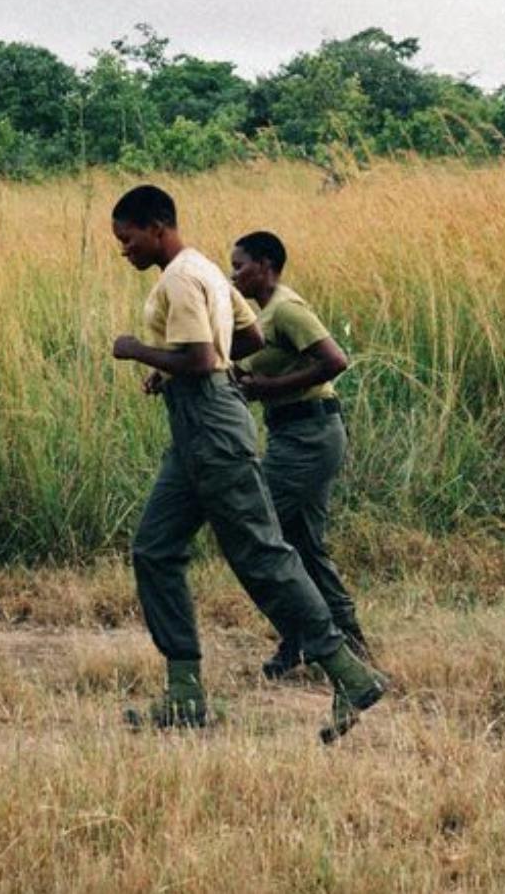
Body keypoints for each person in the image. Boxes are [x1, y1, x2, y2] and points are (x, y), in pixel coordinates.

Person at [110, 185, 386, 741]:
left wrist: (137, 350)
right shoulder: (209, 272)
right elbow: (249, 337)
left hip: (209, 423)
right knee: (154, 548)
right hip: (195, 424)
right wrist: (170, 370)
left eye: (129, 237)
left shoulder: (180, 278)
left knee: (260, 552)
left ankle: (349, 673)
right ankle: (185, 694)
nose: (125, 249)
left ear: (158, 227)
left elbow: (202, 358)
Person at [230, 230, 370, 678]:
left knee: (259, 531)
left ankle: (308, 637)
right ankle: (341, 641)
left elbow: (335, 361)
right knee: (302, 543)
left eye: (239, 266)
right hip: (295, 433)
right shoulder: (264, 315)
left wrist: (269, 387)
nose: (234, 275)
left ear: (265, 265)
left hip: (310, 435)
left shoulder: (286, 309)